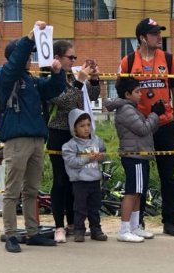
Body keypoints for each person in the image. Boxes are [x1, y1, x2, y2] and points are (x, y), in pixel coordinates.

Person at [0, 21, 66, 253]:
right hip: (17, 139)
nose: (29, 58)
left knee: (32, 190)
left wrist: (57, 73)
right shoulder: (6, 78)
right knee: (12, 190)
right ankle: (11, 234)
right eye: (25, 55)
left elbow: (53, 90)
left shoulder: (32, 80)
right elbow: (14, 63)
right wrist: (28, 40)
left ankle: (33, 232)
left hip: (36, 138)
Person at [119, 17, 174, 237]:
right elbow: (122, 92)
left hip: (165, 124)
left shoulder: (168, 59)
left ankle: (169, 220)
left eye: (160, 33)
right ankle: (139, 223)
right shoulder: (128, 62)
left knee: (168, 176)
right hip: (140, 127)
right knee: (142, 177)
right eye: (154, 33)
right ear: (142, 38)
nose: (159, 37)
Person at [47, 40, 101, 243]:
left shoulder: (73, 76)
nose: (74, 61)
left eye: (75, 58)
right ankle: (58, 225)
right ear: (58, 58)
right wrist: (80, 80)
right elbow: (64, 101)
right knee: (60, 180)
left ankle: (73, 222)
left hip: (77, 134)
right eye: (70, 57)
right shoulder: (51, 77)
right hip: (59, 133)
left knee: (75, 181)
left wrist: (94, 80)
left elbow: (91, 97)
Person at [105, 77, 164, 243]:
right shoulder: (126, 109)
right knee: (132, 192)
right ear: (127, 94)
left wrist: (153, 116)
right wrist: (155, 114)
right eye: (137, 91)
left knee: (139, 192)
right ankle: (124, 229)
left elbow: (145, 127)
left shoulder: (131, 108)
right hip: (134, 156)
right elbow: (143, 128)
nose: (141, 94)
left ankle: (135, 226)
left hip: (139, 155)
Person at [62, 109, 107, 242]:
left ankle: (96, 230)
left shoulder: (97, 140)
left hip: (95, 180)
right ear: (74, 128)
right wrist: (87, 158)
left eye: (88, 125)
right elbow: (72, 162)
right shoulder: (69, 146)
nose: (86, 128)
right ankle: (79, 231)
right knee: (80, 208)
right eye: (82, 126)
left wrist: (100, 157)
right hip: (80, 182)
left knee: (95, 208)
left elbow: (104, 154)